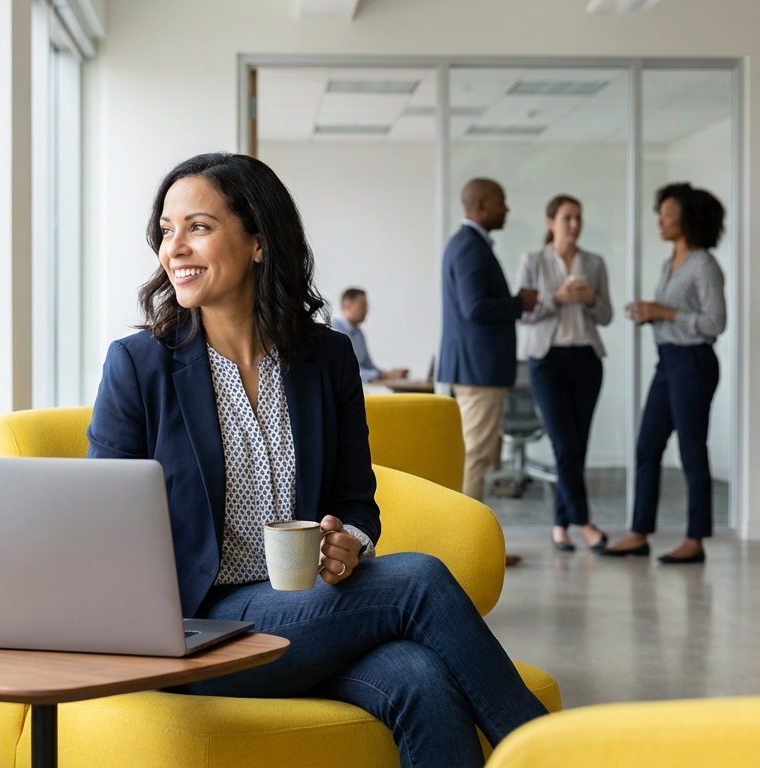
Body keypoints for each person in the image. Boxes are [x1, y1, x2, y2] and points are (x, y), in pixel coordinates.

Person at [87, 153, 547, 766]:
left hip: (312, 613)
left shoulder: (325, 358)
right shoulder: (139, 365)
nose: (175, 248)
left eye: (197, 226)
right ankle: (562, 754)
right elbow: (99, 527)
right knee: (420, 581)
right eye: (166, 231)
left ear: (258, 241)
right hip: (199, 631)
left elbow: (356, 499)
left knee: (421, 679)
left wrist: (349, 540)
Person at [602, 182, 727, 564]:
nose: (661, 220)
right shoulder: (668, 263)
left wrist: (664, 313)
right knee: (647, 447)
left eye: (668, 214)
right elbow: (675, 315)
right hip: (669, 360)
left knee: (691, 449)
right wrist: (649, 314)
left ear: (688, 219)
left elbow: (715, 322)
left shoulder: (704, 264)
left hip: (694, 362)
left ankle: (695, 540)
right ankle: (639, 533)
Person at [517, 195, 612, 554]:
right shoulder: (533, 261)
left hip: (587, 359)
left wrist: (589, 300)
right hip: (547, 362)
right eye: (567, 218)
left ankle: (560, 526)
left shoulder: (594, 263)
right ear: (550, 222)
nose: (574, 224)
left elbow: (606, 315)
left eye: (578, 218)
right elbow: (523, 313)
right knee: (565, 444)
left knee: (576, 447)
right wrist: (556, 297)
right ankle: (585, 523)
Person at [438, 178, 538, 501]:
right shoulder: (469, 247)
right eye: (500, 201)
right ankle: (469, 549)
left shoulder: (467, 244)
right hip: (478, 370)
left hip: (475, 368)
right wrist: (519, 303)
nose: (506, 209)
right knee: (477, 457)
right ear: (480, 206)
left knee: (478, 455)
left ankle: (475, 545)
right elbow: (476, 307)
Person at [331, 287, 408, 382]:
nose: (366, 310)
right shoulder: (332, 328)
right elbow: (344, 370)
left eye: (366, 306)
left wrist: (391, 374)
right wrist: (381, 375)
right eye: (362, 306)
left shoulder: (359, 333)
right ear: (347, 307)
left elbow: (368, 366)